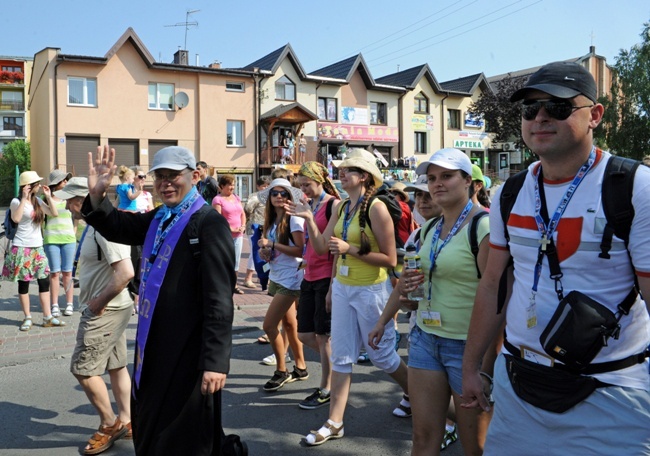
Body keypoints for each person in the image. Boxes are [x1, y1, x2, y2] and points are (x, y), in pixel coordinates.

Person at [461, 61, 650, 455]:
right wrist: (471, 365)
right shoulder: (510, 192)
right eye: (530, 109)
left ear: (594, 115)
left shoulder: (633, 186)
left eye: (558, 107)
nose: (541, 117)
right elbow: (494, 283)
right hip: (517, 386)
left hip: (611, 391)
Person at [82, 145, 235, 455]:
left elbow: (219, 300)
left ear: (194, 176)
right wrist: (99, 195)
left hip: (189, 352)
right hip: (154, 344)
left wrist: (215, 362)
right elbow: (120, 226)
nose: (165, 183)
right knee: (152, 425)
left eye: (173, 176)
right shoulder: (160, 216)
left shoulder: (208, 224)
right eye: (159, 176)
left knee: (184, 436)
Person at [370, 149, 492, 455]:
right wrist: (387, 318)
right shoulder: (428, 229)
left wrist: (485, 368)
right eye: (432, 178)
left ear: (469, 182)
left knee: (475, 445)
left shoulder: (484, 227)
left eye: (447, 176)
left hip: (467, 347)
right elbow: (409, 286)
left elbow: (499, 300)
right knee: (423, 437)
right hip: (424, 338)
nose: (437, 184)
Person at [288, 148, 408, 446]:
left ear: (364, 177)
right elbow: (319, 247)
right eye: (341, 168)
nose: (341, 172)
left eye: (349, 169)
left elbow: (390, 258)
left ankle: (420, 396)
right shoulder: (342, 207)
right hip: (343, 288)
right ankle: (334, 422)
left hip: (371, 291)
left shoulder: (377, 207)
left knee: (381, 355)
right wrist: (308, 219)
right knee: (341, 355)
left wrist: (350, 250)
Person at [57, 177, 135, 455]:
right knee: (116, 366)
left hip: (106, 309)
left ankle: (108, 424)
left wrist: (96, 305)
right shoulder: (95, 225)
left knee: (83, 369)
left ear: (84, 199)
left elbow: (126, 273)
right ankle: (126, 421)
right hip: (114, 307)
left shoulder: (103, 229)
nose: (67, 205)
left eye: (70, 200)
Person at [294, 161, 341, 409]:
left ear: (320, 180)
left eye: (308, 184)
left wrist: (333, 285)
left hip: (325, 276)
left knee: (324, 337)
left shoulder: (334, 204)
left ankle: (327, 387)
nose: (305, 190)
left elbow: (327, 247)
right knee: (304, 334)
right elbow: (311, 244)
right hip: (309, 274)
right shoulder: (309, 204)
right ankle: (337, 367)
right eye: (302, 186)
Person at [257, 178, 309, 391]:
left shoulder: (294, 219)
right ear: (269, 197)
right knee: (289, 325)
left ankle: (281, 370)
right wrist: (265, 251)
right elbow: (273, 248)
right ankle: (301, 367)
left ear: (289, 197)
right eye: (275, 193)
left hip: (291, 278)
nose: (279, 196)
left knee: (269, 326)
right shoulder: (271, 220)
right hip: (277, 275)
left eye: (284, 193)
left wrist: (273, 244)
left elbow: (300, 250)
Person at [2, 171, 64, 331]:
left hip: (38, 248)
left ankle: (47, 316)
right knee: (24, 284)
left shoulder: (37, 200)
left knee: (44, 281)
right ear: (27, 186)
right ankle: (27, 317)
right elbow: (15, 219)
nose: (38, 185)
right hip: (22, 248)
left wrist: (48, 196)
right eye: (36, 183)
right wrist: (23, 198)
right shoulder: (16, 202)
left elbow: (54, 213)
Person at [43, 169, 76, 317]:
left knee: (68, 272)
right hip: (51, 240)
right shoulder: (45, 199)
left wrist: (73, 232)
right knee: (55, 273)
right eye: (63, 180)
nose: (66, 182)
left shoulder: (70, 198)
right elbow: (49, 214)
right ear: (56, 184)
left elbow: (76, 217)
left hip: (68, 240)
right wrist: (49, 197)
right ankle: (54, 305)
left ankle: (69, 303)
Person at [212, 174, 246, 294]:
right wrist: (231, 229)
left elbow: (242, 213)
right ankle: (222, 285)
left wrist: (243, 226)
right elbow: (218, 218)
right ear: (222, 186)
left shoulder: (236, 197)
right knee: (224, 259)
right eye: (229, 185)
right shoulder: (218, 199)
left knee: (236, 260)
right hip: (225, 234)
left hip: (238, 235)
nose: (232, 187)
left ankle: (234, 285)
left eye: (233, 185)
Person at [243, 176, 270, 289]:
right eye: (263, 185)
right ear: (258, 186)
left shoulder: (271, 196)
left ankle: (262, 276)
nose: (266, 187)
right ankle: (248, 278)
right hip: (254, 227)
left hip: (266, 227)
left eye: (268, 185)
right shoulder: (254, 196)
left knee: (266, 253)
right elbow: (247, 209)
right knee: (255, 253)